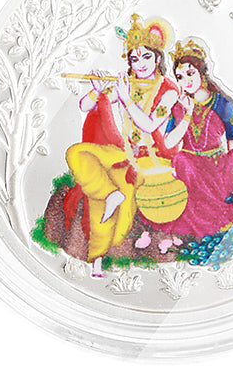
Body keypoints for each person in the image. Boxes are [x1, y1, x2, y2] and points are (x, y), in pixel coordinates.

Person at [64, 15, 180, 276]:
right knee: (77, 153)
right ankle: (107, 194)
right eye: (134, 59)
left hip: (150, 158)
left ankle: (97, 257)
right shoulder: (126, 83)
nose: (140, 64)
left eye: (146, 57)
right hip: (121, 152)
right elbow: (85, 105)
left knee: (121, 194)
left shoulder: (169, 90)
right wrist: (97, 89)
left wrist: (126, 99)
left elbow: (149, 125)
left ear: (158, 58)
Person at [162, 38, 233, 241]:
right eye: (179, 77)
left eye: (190, 74)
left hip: (216, 168)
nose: (185, 81)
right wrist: (187, 114)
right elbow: (168, 143)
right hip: (187, 168)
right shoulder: (178, 106)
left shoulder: (224, 105)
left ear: (202, 71)